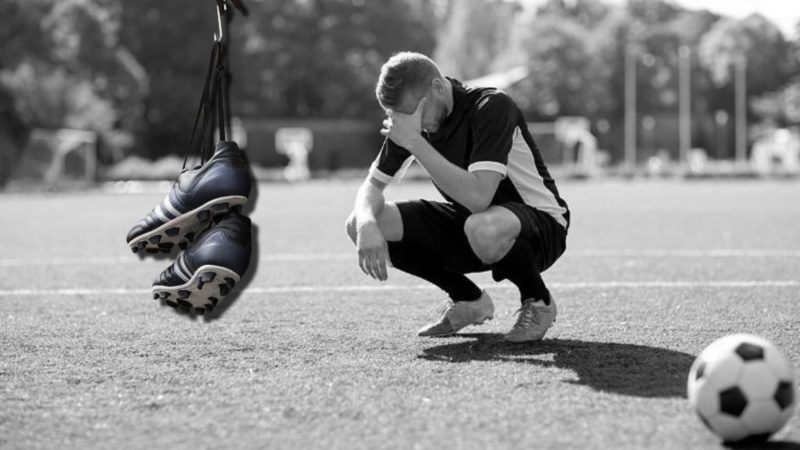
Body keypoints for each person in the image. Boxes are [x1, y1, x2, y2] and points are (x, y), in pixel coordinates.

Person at [345, 52, 569, 342]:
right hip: (474, 224)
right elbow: (372, 186)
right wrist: (365, 224)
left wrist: (413, 141)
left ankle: (538, 301)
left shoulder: (491, 106)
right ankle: (468, 300)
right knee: (361, 222)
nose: (416, 124)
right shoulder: (412, 121)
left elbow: (478, 197)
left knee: (482, 227)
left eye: (417, 114)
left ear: (437, 87)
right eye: (403, 118)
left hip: (541, 225)